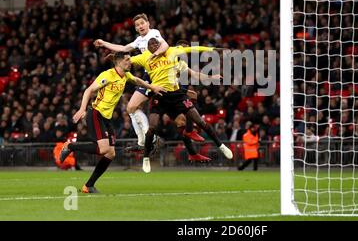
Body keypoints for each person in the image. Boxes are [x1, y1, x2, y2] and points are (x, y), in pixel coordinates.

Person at [59, 52, 165, 193]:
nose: (130, 62)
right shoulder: (107, 75)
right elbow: (88, 90)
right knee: (103, 149)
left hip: (107, 118)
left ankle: (88, 185)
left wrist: (153, 87)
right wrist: (82, 109)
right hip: (96, 113)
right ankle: (70, 146)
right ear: (119, 62)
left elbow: (138, 81)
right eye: (127, 60)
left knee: (110, 154)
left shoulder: (125, 75)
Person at [129, 38, 233, 173]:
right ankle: (146, 158)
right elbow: (127, 61)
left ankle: (220, 145)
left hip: (176, 95)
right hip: (158, 95)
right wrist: (116, 57)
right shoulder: (145, 57)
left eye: (157, 44)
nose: (155, 46)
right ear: (148, 48)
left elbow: (195, 51)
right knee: (152, 128)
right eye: (151, 44)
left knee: (196, 121)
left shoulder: (174, 56)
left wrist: (214, 51)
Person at [94, 13, 169, 150]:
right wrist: (104, 43)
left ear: (148, 23)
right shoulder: (138, 41)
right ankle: (144, 141)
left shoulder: (153, 34)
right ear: (135, 28)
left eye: (142, 23)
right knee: (130, 108)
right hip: (149, 75)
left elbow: (165, 46)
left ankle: (148, 139)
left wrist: (154, 55)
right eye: (137, 25)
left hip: (159, 75)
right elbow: (123, 49)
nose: (140, 26)